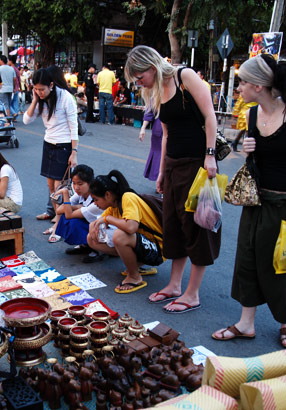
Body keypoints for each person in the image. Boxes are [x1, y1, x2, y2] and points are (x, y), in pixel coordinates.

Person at [212, 54, 286, 349]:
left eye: (243, 82)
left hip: (285, 203)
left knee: (283, 264)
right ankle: (246, 323)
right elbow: (256, 159)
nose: (239, 88)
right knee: (247, 259)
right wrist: (247, 148)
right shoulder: (254, 114)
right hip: (256, 200)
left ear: (259, 85)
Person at [125, 45, 220, 312]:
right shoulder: (154, 90)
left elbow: (210, 116)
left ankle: (193, 293)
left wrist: (210, 155)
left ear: (151, 67)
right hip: (175, 165)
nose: (138, 82)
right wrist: (162, 171)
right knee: (174, 225)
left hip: (199, 165)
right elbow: (165, 135)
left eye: (139, 76)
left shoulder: (184, 77)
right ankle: (175, 285)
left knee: (198, 226)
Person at [86, 170, 164, 293]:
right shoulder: (113, 205)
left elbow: (131, 227)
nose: (95, 204)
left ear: (107, 195)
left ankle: (134, 277)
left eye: (96, 199)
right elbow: (98, 222)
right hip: (145, 246)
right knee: (91, 238)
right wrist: (93, 226)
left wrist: (108, 219)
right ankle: (135, 265)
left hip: (158, 250)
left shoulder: (128, 197)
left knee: (120, 236)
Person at [23, 66, 79, 221]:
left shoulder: (65, 97)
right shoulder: (40, 100)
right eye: (36, 89)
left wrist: (74, 152)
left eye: (42, 89)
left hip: (63, 145)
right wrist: (34, 100)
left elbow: (73, 126)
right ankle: (54, 213)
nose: (39, 92)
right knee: (50, 185)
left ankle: (60, 218)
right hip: (48, 143)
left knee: (58, 187)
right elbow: (26, 120)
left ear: (51, 86)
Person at [48, 165, 106, 263]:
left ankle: (99, 251)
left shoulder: (96, 200)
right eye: (74, 184)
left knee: (73, 221)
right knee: (66, 217)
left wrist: (65, 194)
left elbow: (69, 214)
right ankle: (85, 245)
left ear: (90, 183)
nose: (76, 187)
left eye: (80, 184)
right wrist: (77, 207)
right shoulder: (80, 195)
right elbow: (59, 210)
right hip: (91, 224)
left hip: (105, 230)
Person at [139, 107, 163, 183]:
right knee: (159, 155)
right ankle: (161, 183)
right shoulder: (157, 96)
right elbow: (150, 110)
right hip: (160, 129)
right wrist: (143, 128)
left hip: (167, 130)